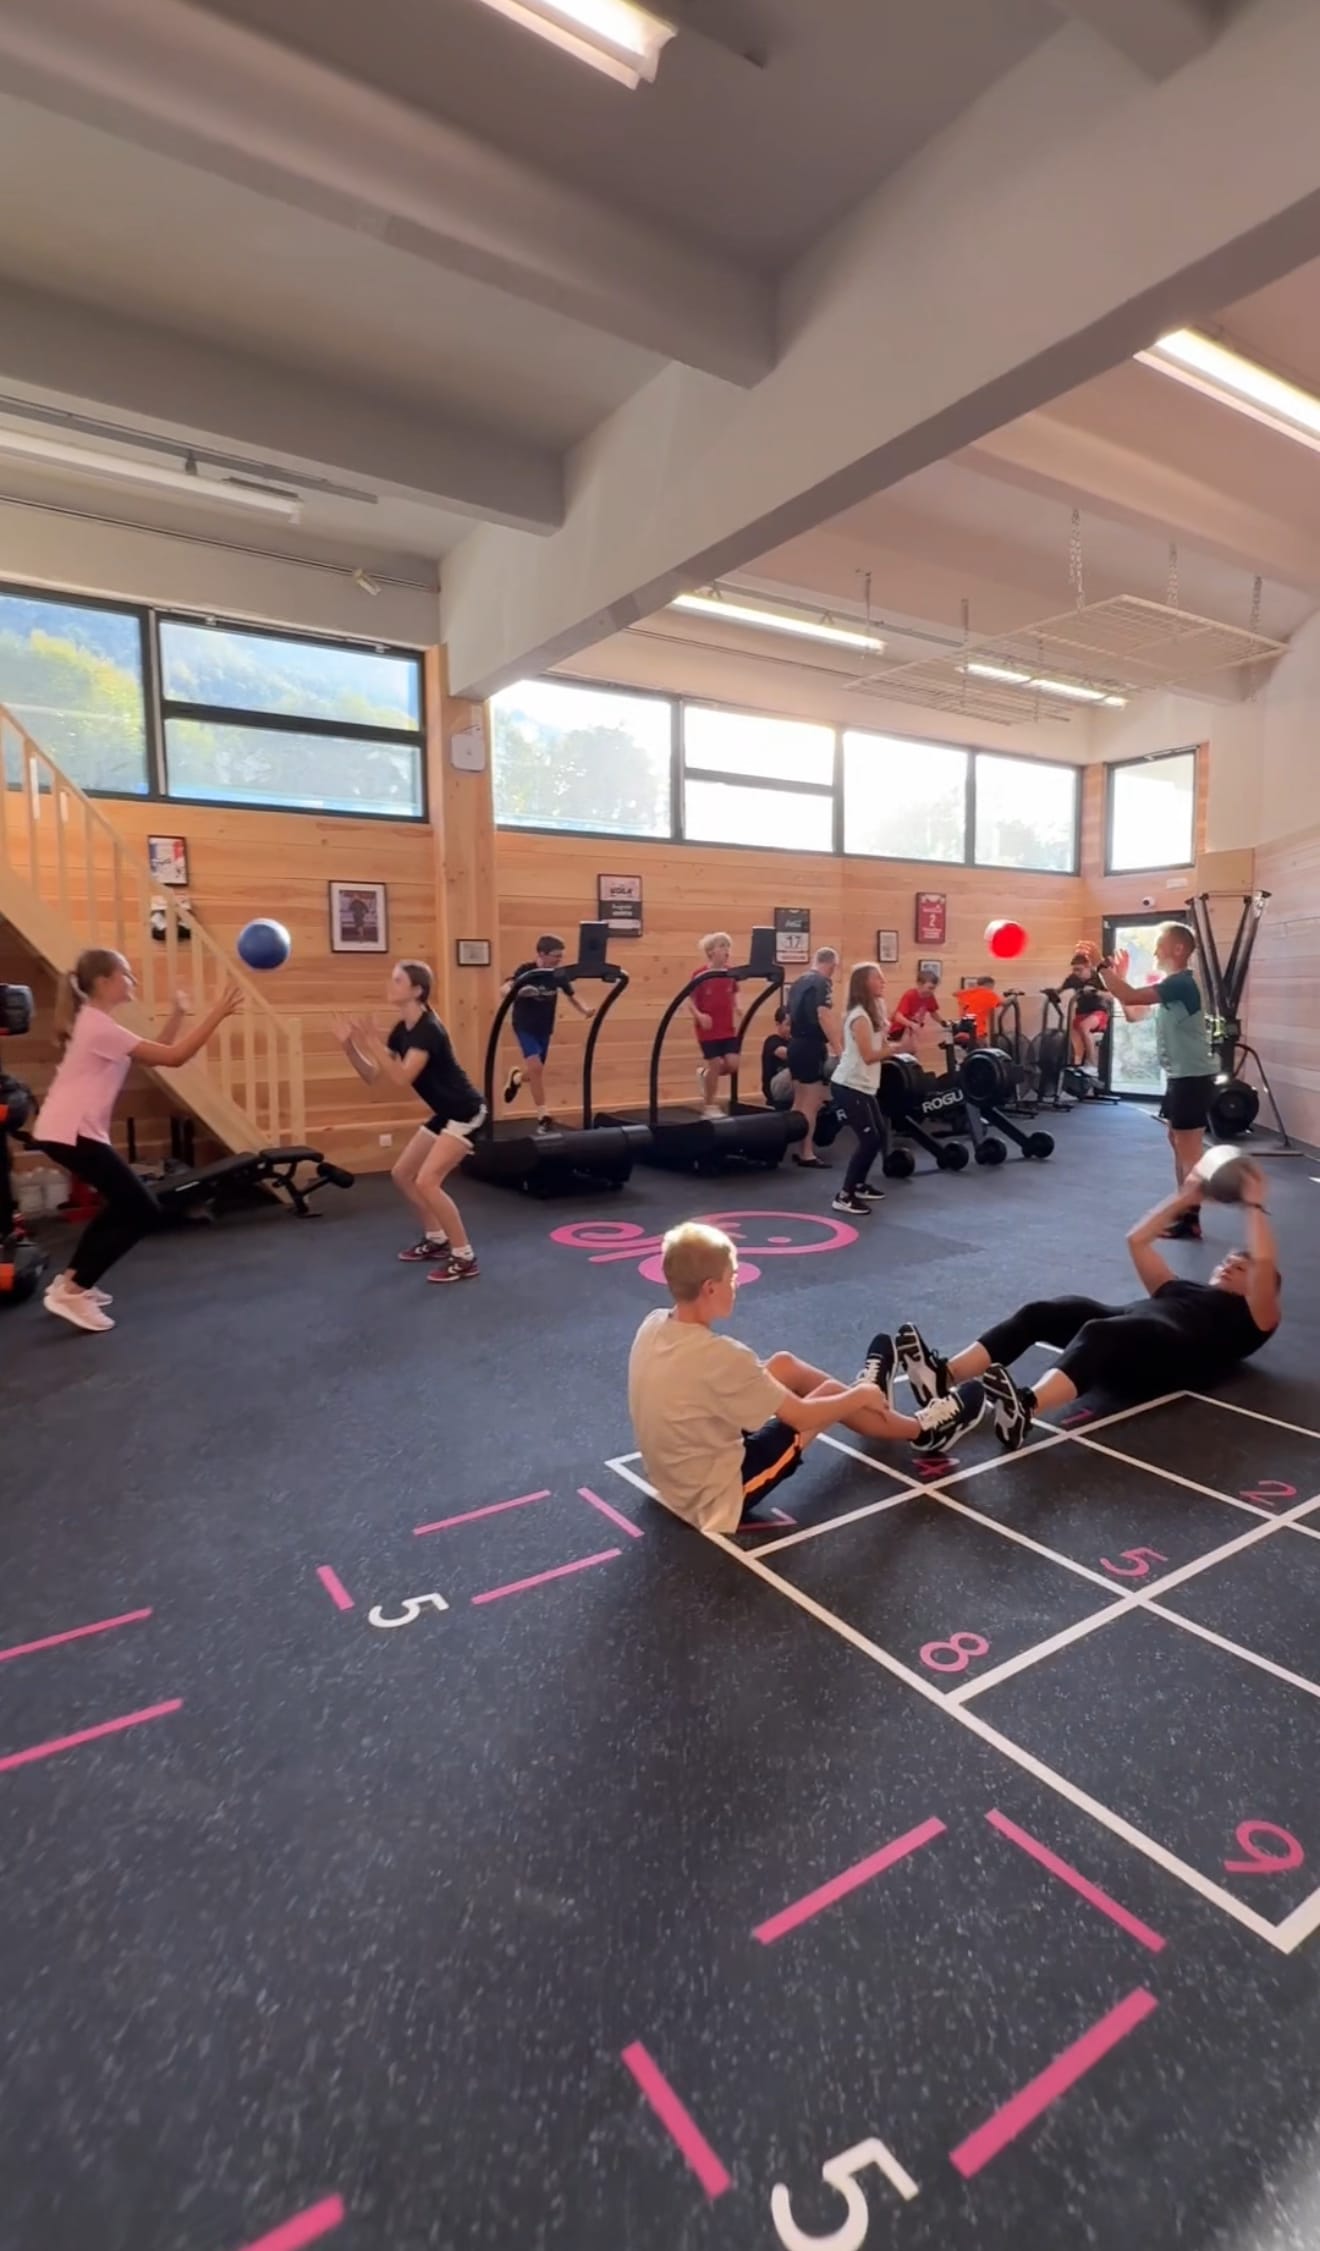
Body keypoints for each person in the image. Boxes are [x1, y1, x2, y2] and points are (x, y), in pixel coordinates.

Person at [889, 1165, 1280, 1452]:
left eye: (1240, 1267)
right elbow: (1137, 1241)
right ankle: (944, 1376)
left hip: (1166, 1359)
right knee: (1046, 1311)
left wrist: (1254, 1206)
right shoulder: (1180, 1288)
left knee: (1100, 1330)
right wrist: (1185, 1198)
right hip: (1127, 1337)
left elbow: (1264, 1264)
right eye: (1227, 1260)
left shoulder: (1252, 1317)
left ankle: (1026, 1408)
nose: (1229, 1265)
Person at [627, 1222, 982, 1532]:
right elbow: (801, 1417)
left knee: (783, 1364)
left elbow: (723, 1379)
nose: (736, 1285)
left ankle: (877, 1405)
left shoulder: (654, 1323)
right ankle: (922, 1429)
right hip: (719, 1492)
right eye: (731, 1278)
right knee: (832, 1394)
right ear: (710, 1288)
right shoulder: (723, 1355)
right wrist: (859, 1395)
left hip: (670, 1474)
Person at [33, 947, 243, 1333]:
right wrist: (218, 1013)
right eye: (127, 974)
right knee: (143, 1209)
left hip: (67, 1130)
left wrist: (178, 1014)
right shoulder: (99, 1027)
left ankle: (72, 1281)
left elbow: (155, 1054)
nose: (134, 981)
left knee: (124, 1204)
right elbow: (175, 1057)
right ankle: (74, 1291)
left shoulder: (97, 1023)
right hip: (71, 1131)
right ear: (104, 982)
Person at [334, 960, 484, 1284]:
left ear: (417, 990)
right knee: (402, 1174)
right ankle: (436, 1237)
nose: (390, 985)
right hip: (445, 1113)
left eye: (398, 980)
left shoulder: (429, 1029)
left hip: (466, 1112)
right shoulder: (402, 1031)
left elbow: (402, 1078)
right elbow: (373, 1075)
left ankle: (464, 1256)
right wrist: (350, 1047)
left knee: (427, 1181)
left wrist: (372, 1042)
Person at [1099, 923, 1216, 1238]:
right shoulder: (1171, 988)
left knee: (1188, 1149)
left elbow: (1129, 994)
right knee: (1177, 1142)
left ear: (1178, 949)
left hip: (1193, 1078)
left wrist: (1101, 967)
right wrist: (1121, 978)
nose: (1154, 951)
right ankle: (1185, 1213)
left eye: (1160, 944)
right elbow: (1134, 1012)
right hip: (1181, 1077)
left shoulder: (1181, 984)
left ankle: (1190, 1219)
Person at [501, 934, 594, 1133]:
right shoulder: (526, 970)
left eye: (561, 956)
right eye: (555, 956)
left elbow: (572, 995)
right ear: (542, 954)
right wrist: (517, 992)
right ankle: (543, 1115)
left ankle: (517, 1078)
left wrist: (585, 1009)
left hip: (544, 1027)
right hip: (525, 1026)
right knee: (536, 1068)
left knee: (535, 1071)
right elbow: (506, 987)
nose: (559, 960)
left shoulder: (558, 974)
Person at [830, 961, 893, 1217]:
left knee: (879, 1135)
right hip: (849, 1085)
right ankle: (844, 1196)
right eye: (878, 978)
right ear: (865, 983)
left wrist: (892, 1040)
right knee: (869, 1139)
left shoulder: (871, 1013)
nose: (883, 982)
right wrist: (899, 1049)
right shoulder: (859, 1017)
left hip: (864, 1086)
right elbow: (868, 1056)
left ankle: (858, 1185)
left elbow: (879, 1047)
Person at [786, 946, 841, 1166]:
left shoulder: (798, 982)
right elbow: (823, 1015)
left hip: (795, 1044)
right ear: (831, 964)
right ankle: (806, 1153)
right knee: (811, 1102)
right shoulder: (821, 982)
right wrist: (838, 1048)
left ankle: (791, 1147)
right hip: (811, 1045)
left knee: (799, 1101)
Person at [690, 932, 740, 1120]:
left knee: (732, 1064)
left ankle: (706, 1075)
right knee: (716, 1064)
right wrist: (699, 1015)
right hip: (708, 1029)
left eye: (727, 947)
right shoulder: (700, 975)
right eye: (722, 946)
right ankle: (709, 1106)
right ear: (710, 952)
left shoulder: (730, 973)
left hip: (727, 1028)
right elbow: (690, 1000)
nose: (726, 951)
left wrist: (738, 1006)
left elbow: (735, 992)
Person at [1060, 949, 1110, 1076]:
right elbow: (1059, 991)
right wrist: (1052, 993)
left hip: (1099, 1012)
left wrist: (1096, 992)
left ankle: (1092, 1065)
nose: (1076, 973)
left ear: (1088, 967)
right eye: (1074, 970)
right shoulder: (1073, 979)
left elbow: (1112, 996)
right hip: (1081, 1013)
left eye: (1079, 970)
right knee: (1072, 1032)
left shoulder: (1098, 977)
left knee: (1084, 1026)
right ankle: (1077, 1064)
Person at [890, 967, 943, 1049]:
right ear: (920, 984)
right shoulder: (910, 995)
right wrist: (911, 1025)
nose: (932, 991)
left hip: (912, 1028)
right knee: (908, 1049)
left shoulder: (930, 996)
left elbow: (933, 1012)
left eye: (934, 988)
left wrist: (943, 1022)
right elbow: (898, 1016)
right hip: (900, 1029)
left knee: (913, 1049)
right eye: (930, 988)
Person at [761, 1005, 792, 1109]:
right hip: (775, 1091)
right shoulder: (772, 1040)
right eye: (788, 1025)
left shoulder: (795, 1043)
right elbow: (786, 1054)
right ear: (778, 1024)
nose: (792, 1029)